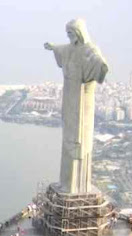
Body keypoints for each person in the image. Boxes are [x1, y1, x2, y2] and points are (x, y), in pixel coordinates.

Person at [44, 19, 108, 194]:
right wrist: (53, 47)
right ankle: (66, 183)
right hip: (69, 98)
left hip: (83, 101)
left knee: (79, 140)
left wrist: (101, 65)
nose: (69, 36)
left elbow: (99, 63)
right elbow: (62, 49)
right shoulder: (70, 49)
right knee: (68, 138)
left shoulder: (90, 49)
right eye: (68, 34)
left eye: (71, 33)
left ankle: (78, 187)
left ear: (79, 32)